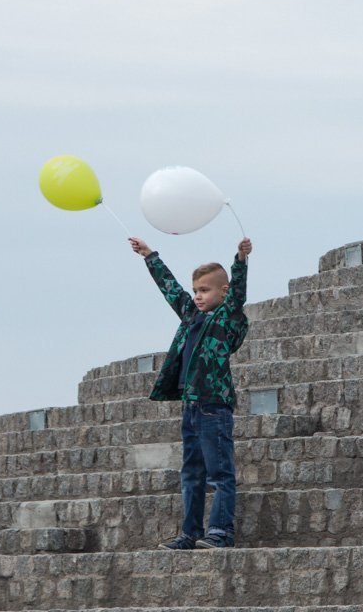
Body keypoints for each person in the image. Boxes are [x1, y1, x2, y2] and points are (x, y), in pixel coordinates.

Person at [129, 235, 253, 550]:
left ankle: (221, 532)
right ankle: (190, 533)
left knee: (220, 473)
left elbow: (238, 292)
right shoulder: (191, 316)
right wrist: (149, 256)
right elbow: (170, 289)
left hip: (214, 407)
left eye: (204, 290)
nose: (197, 296)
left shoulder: (228, 318)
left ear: (222, 292)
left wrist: (240, 261)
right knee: (192, 475)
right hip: (192, 407)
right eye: (196, 290)